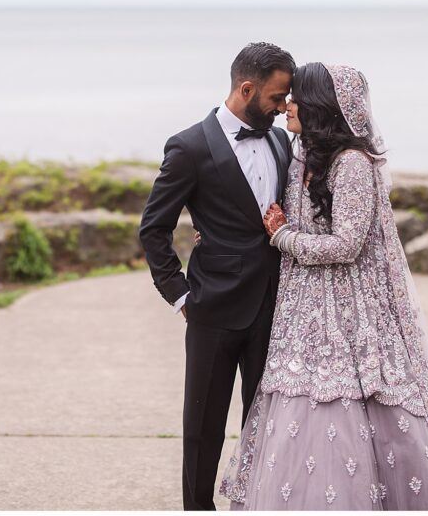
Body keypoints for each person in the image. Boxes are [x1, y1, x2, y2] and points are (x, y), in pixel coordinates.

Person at [218, 62, 428, 510]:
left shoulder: (353, 164)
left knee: (353, 406)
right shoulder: (301, 157)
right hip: (303, 309)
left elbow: (347, 244)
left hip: (350, 308)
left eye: (295, 96)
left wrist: (283, 237)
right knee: (296, 401)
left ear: (319, 106)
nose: (287, 104)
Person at [139, 42, 296, 510]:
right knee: (203, 427)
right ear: (246, 88)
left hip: (274, 306)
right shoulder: (189, 146)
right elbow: (154, 228)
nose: (283, 107)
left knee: (265, 420)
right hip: (211, 310)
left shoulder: (279, 140)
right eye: (276, 97)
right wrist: (182, 296)